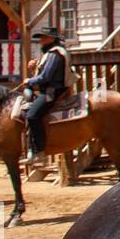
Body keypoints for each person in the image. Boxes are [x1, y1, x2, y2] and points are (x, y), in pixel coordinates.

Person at [21, 26, 75, 163]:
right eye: (41, 38)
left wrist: (30, 80)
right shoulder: (51, 53)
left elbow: (46, 76)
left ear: (52, 39)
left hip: (53, 91)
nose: (41, 40)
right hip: (51, 89)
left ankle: (40, 150)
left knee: (32, 116)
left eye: (44, 37)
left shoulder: (54, 54)